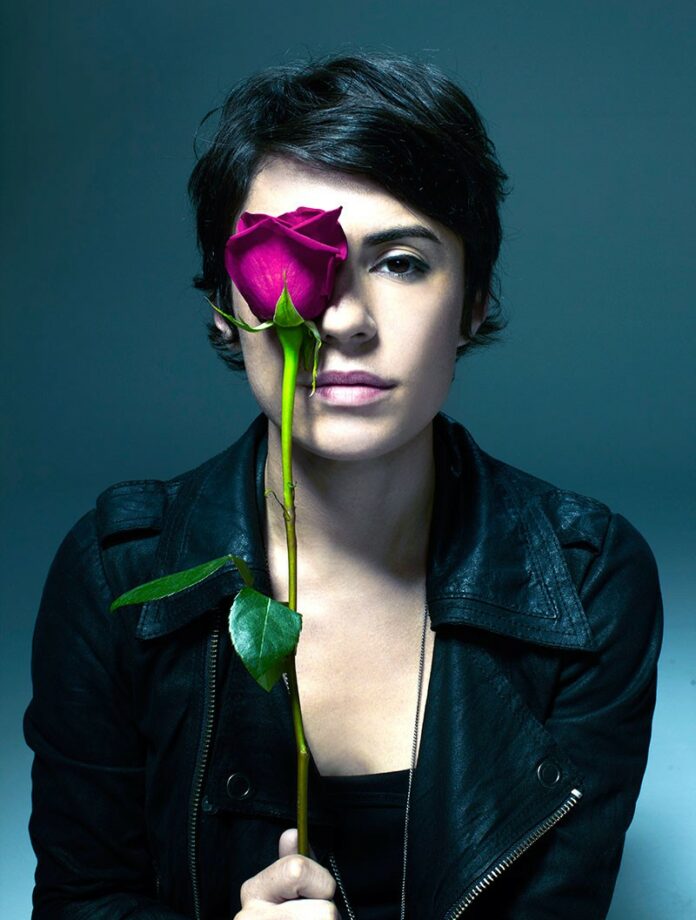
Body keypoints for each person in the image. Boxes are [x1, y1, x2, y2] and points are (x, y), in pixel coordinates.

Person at [24, 51, 663, 920]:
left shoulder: (586, 581)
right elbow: (83, 899)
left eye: (401, 262)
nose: (344, 320)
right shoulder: (119, 572)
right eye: (293, 262)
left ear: (474, 300)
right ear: (226, 305)